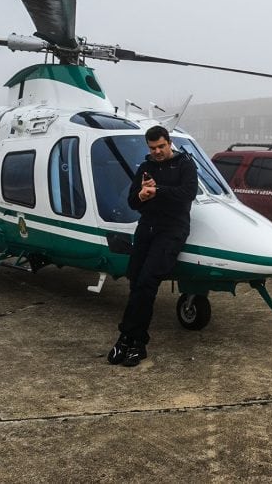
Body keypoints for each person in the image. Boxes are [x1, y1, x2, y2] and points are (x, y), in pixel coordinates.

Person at [108, 125, 197, 367]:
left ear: (169, 143)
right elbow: (132, 201)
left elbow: (188, 193)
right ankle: (133, 339)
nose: (157, 151)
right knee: (135, 280)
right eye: (152, 148)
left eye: (161, 146)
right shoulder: (145, 168)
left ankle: (130, 339)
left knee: (147, 282)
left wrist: (158, 191)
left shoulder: (184, 165)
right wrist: (142, 196)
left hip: (171, 231)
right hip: (147, 228)